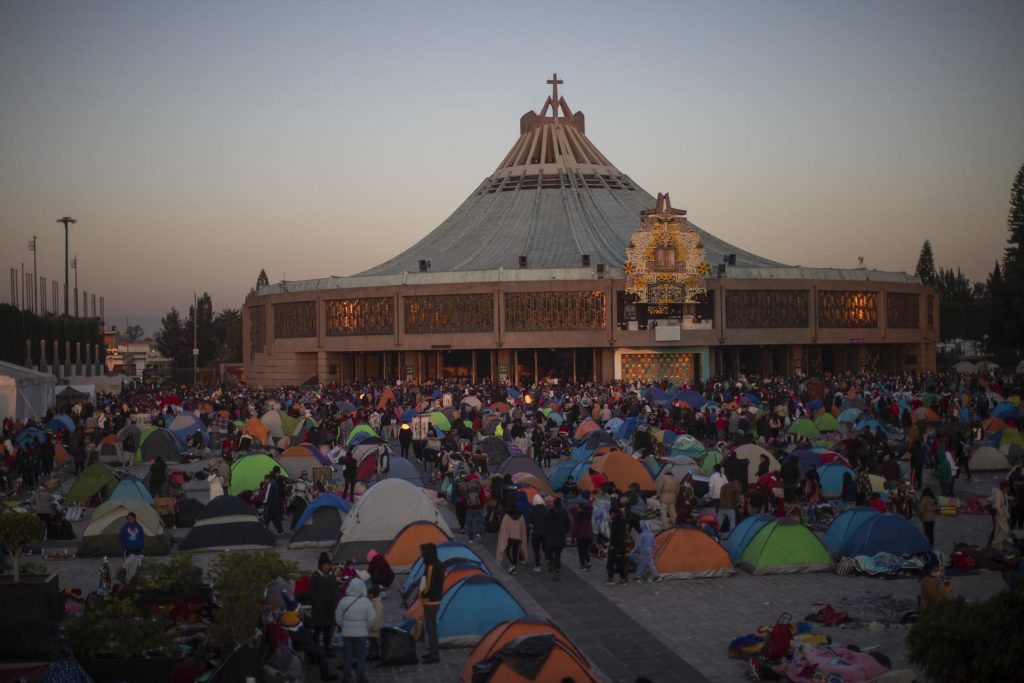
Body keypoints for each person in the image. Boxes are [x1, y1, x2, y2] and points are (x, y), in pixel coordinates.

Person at [335, 578, 376, 683]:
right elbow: (372, 618)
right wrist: (366, 628)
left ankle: (346, 678)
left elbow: (338, 616)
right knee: (360, 656)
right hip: (361, 634)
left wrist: (343, 626)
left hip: (347, 634)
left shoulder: (343, 601)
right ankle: (360, 677)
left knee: (348, 655)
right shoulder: (366, 602)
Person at [308, 552, 338, 656]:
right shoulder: (315, 577)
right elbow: (311, 593)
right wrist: (316, 603)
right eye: (325, 565)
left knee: (328, 630)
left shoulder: (331, 576)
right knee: (317, 630)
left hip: (330, 609)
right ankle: (316, 651)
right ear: (321, 565)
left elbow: (334, 590)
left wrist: (335, 603)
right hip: (319, 610)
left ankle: (327, 649)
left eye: (328, 565)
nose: (326, 567)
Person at [418, 543, 443, 664]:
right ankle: (433, 652)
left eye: (423, 552)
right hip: (436, 600)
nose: (422, 555)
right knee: (431, 628)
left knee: (431, 629)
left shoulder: (431, 566)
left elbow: (429, 586)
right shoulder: (438, 563)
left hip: (430, 601)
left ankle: (434, 655)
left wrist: (423, 594)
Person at [543, 497, 572, 577]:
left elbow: (545, 524)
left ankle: (553, 566)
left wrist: (546, 533)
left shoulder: (549, 512)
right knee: (558, 555)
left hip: (550, 536)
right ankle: (557, 568)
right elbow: (568, 525)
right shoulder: (564, 513)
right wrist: (564, 532)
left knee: (550, 553)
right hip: (560, 536)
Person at [496, 502, 528, 574]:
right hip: (518, 538)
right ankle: (514, 567)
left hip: (510, 537)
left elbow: (504, 527)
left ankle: (512, 564)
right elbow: (523, 527)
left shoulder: (507, 516)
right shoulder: (521, 516)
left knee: (507, 551)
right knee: (515, 552)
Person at [605, 504, 629, 585]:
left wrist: (613, 544)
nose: (610, 515)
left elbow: (617, 535)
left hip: (616, 546)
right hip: (621, 546)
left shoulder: (616, 521)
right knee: (620, 563)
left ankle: (611, 579)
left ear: (613, 513)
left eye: (610, 514)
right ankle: (623, 579)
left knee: (611, 563)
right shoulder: (622, 520)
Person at [570, 500, 593, 570]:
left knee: (581, 551)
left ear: (580, 509)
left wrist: (573, 538)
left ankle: (583, 565)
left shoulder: (578, 516)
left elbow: (571, 509)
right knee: (586, 550)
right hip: (589, 536)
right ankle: (588, 562)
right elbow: (591, 507)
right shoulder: (589, 515)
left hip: (580, 536)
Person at [463, 473, 486, 542]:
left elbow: (463, 499)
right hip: (478, 508)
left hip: (469, 508)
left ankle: (470, 538)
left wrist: (466, 505)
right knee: (479, 521)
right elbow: (484, 499)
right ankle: (478, 533)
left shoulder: (468, 488)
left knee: (469, 523)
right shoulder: (480, 489)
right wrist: (481, 506)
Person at [529, 494, 548, 572]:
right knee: (546, 547)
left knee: (536, 550)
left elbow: (530, 522)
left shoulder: (532, 510)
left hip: (536, 532)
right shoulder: (546, 510)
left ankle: (538, 565)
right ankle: (548, 560)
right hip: (545, 532)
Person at [991, 479, 1011, 552]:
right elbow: (997, 505)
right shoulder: (998, 493)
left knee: (998, 530)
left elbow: (1005, 506)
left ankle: (998, 546)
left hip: (1002, 514)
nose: (1008, 489)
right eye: (1008, 488)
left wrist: (1007, 515)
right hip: (999, 514)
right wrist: (1002, 514)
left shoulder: (1004, 494)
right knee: (1005, 530)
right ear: (1004, 487)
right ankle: (994, 543)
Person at [366, 585, 384, 662]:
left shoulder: (376, 603)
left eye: (369, 594)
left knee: (372, 642)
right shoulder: (375, 602)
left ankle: (371, 655)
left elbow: (377, 616)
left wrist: (374, 626)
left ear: (372, 594)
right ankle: (376, 654)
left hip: (374, 627)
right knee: (374, 642)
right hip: (375, 626)